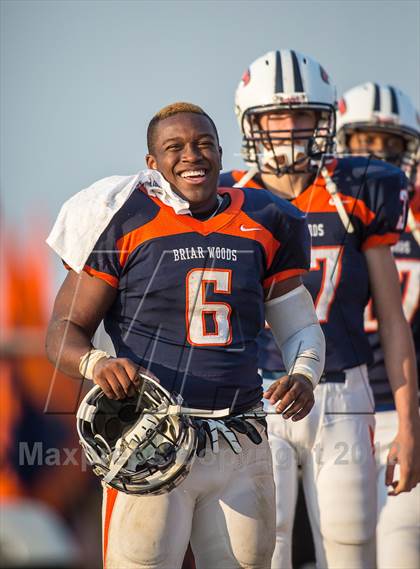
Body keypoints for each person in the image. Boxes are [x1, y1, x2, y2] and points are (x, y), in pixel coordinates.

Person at [46, 102, 326, 569]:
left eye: (202, 144)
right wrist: (97, 364)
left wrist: (303, 373)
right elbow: (62, 332)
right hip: (150, 434)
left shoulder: (266, 219)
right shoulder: (122, 219)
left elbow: (299, 327)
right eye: (174, 147)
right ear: (152, 163)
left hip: (242, 438)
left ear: (220, 152)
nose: (191, 156)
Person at [220, 50, 420, 569]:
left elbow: (395, 320)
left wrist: (409, 424)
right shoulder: (229, 199)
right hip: (259, 395)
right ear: (251, 122)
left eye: (302, 115)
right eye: (275, 117)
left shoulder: (357, 189)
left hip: (343, 392)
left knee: (351, 551)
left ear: (324, 119)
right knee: (265, 549)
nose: (289, 128)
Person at [337, 82, 420, 569]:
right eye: (365, 143)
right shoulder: (319, 212)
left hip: (397, 405)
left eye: (390, 144)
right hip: (328, 406)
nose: (378, 157)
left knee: (399, 551)